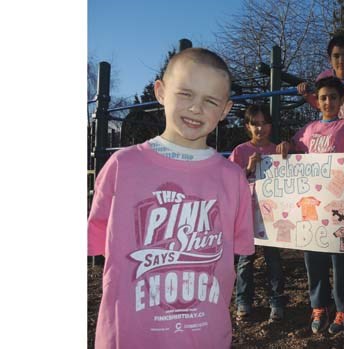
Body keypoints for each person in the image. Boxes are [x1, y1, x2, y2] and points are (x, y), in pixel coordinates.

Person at [87, 48, 255, 349]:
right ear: (161, 92)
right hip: (129, 337)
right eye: (186, 94)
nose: (196, 108)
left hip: (205, 337)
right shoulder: (122, 166)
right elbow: (95, 240)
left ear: (226, 110)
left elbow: (241, 246)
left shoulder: (233, 179)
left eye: (210, 101)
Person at [278, 76, 344, 335]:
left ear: (341, 100)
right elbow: (294, 146)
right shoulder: (308, 129)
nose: (328, 102)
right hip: (312, 207)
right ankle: (318, 306)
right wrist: (286, 145)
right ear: (318, 100)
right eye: (323, 97)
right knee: (312, 257)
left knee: (342, 260)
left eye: (333, 97)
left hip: (343, 206)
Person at [230, 104, 287, 322]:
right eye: (255, 124)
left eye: (264, 124)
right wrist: (247, 169)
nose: (260, 129)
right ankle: (243, 302)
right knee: (245, 261)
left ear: (270, 126)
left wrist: (286, 151)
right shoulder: (240, 151)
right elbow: (230, 183)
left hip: (272, 217)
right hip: (247, 216)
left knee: (274, 260)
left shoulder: (277, 150)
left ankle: (277, 302)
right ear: (247, 127)